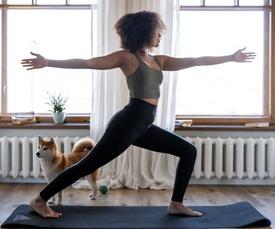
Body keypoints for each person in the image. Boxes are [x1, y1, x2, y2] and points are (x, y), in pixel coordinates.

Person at [21, 11, 256, 218]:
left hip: (143, 125)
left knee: (188, 151)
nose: (160, 36)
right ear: (143, 32)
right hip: (128, 122)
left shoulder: (158, 60)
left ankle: (176, 203)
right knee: (87, 165)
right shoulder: (127, 58)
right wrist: (48, 62)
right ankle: (40, 200)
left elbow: (196, 60)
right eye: (156, 31)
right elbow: (88, 62)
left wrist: (230, 57)